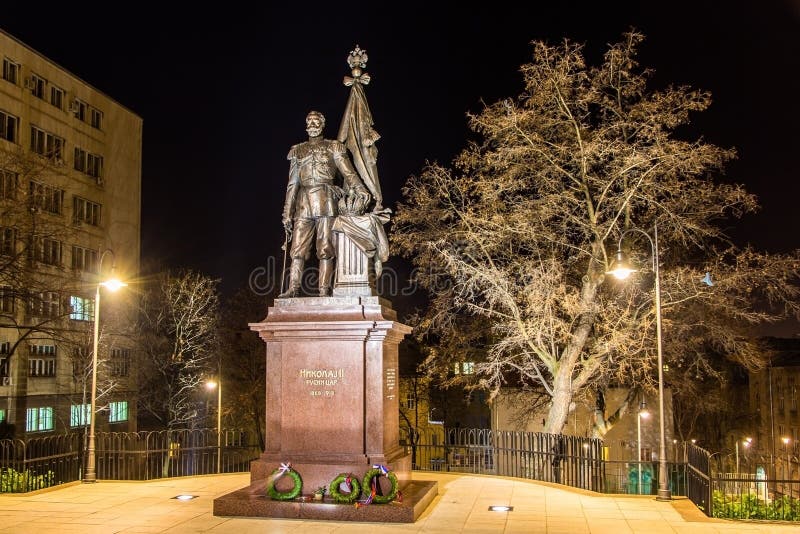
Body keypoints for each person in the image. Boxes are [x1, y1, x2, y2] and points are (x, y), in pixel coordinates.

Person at [278, 111, 370, 297]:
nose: (312, 124)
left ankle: (324, 289)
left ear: (322, 124)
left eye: (316, 121)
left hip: (326, 200)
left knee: (326, 246)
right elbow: (292, 184)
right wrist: (287, 213)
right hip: (303, 204)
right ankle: (293, 288)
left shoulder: (333, 147)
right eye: (309, 121)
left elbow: (348, 173)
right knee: (297, 248)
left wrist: (361, 189)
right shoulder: (298, 150)